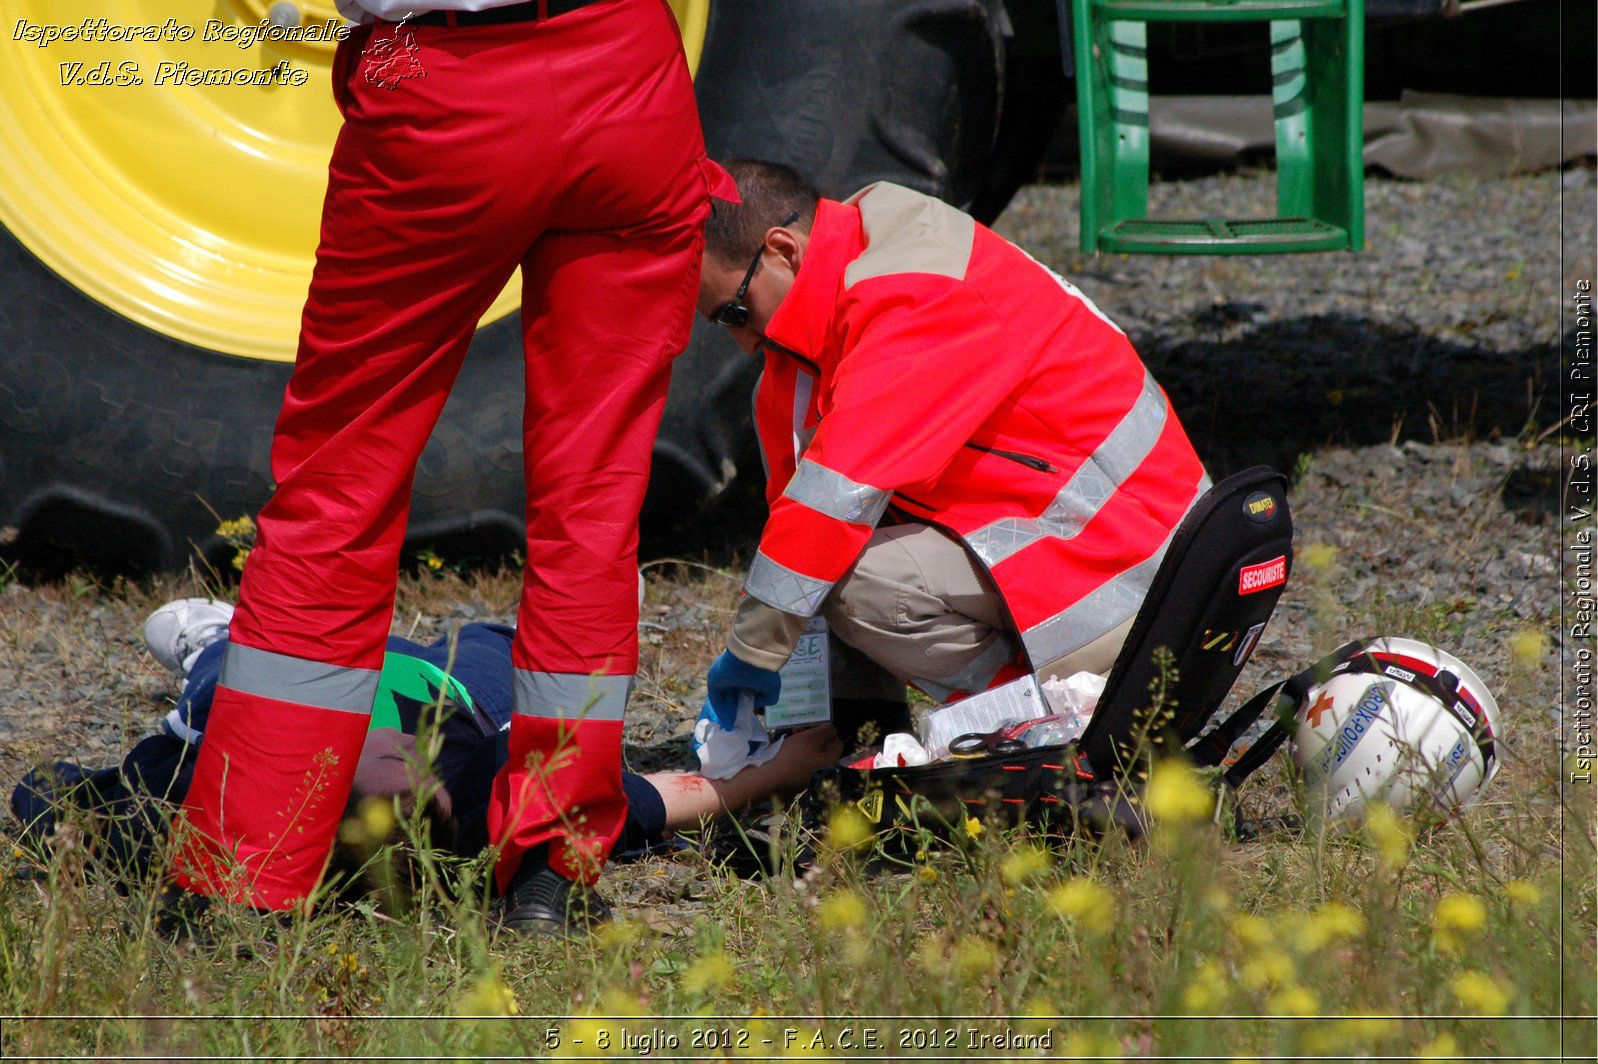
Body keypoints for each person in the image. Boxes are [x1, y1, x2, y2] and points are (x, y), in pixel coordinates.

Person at [172, 0, 735, 935]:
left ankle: (246, 873)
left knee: (338, 490)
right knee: (594, 504)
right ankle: (552, 865)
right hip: (631, 69)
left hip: (443, 79)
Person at [694, 160, 1211, 738]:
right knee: (825, 568)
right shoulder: (802, 351)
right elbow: (793, 542)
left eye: (735, 313)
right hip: (1084, 535)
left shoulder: (913, 290)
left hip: (1148, 566)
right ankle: (1022, 717)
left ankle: (1044, 727)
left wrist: (750, 654)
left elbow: (830, 512)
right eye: (721, 325)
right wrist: (830, 716)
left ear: (783, 249)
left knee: (856, 581)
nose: (741, 343)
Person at [11, 599, 841, 899]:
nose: (407, 781)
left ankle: (218, 628)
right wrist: (786, 767)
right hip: (461, 682)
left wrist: (71, 811)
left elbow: (66, 797)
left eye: (379, 781)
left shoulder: (239, 761)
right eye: (413, 803)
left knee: (222, 674)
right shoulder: (489, 800)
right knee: (502, 651)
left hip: (291, 673)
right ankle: (540, 622)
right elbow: (651, 800)